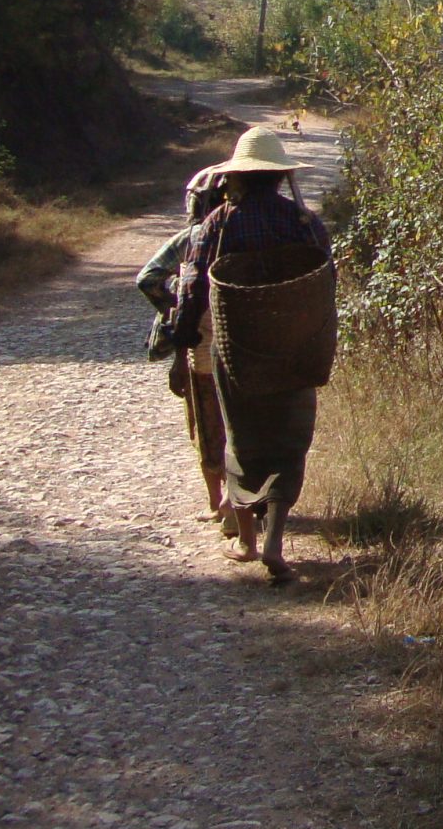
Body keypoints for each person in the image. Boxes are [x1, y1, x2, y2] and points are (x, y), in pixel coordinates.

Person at [181, 125, 330, 582]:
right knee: (289, 441)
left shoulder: (218, 223)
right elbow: (326, 282)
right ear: (280, 176)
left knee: (241, 437)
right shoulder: (303, 222)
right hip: (293, 349)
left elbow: (193, 283)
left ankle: (246, 540)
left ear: (238, 177)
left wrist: (184, 333)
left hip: (237, 349)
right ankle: (274, 542)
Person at [136, 169, 231, 527]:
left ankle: (216, 501)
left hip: (200, 349)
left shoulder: (190, 238)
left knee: (205, 424)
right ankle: (243, 503)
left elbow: (147, 279)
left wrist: (173, 306)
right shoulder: (242, 230)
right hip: (244, 350)